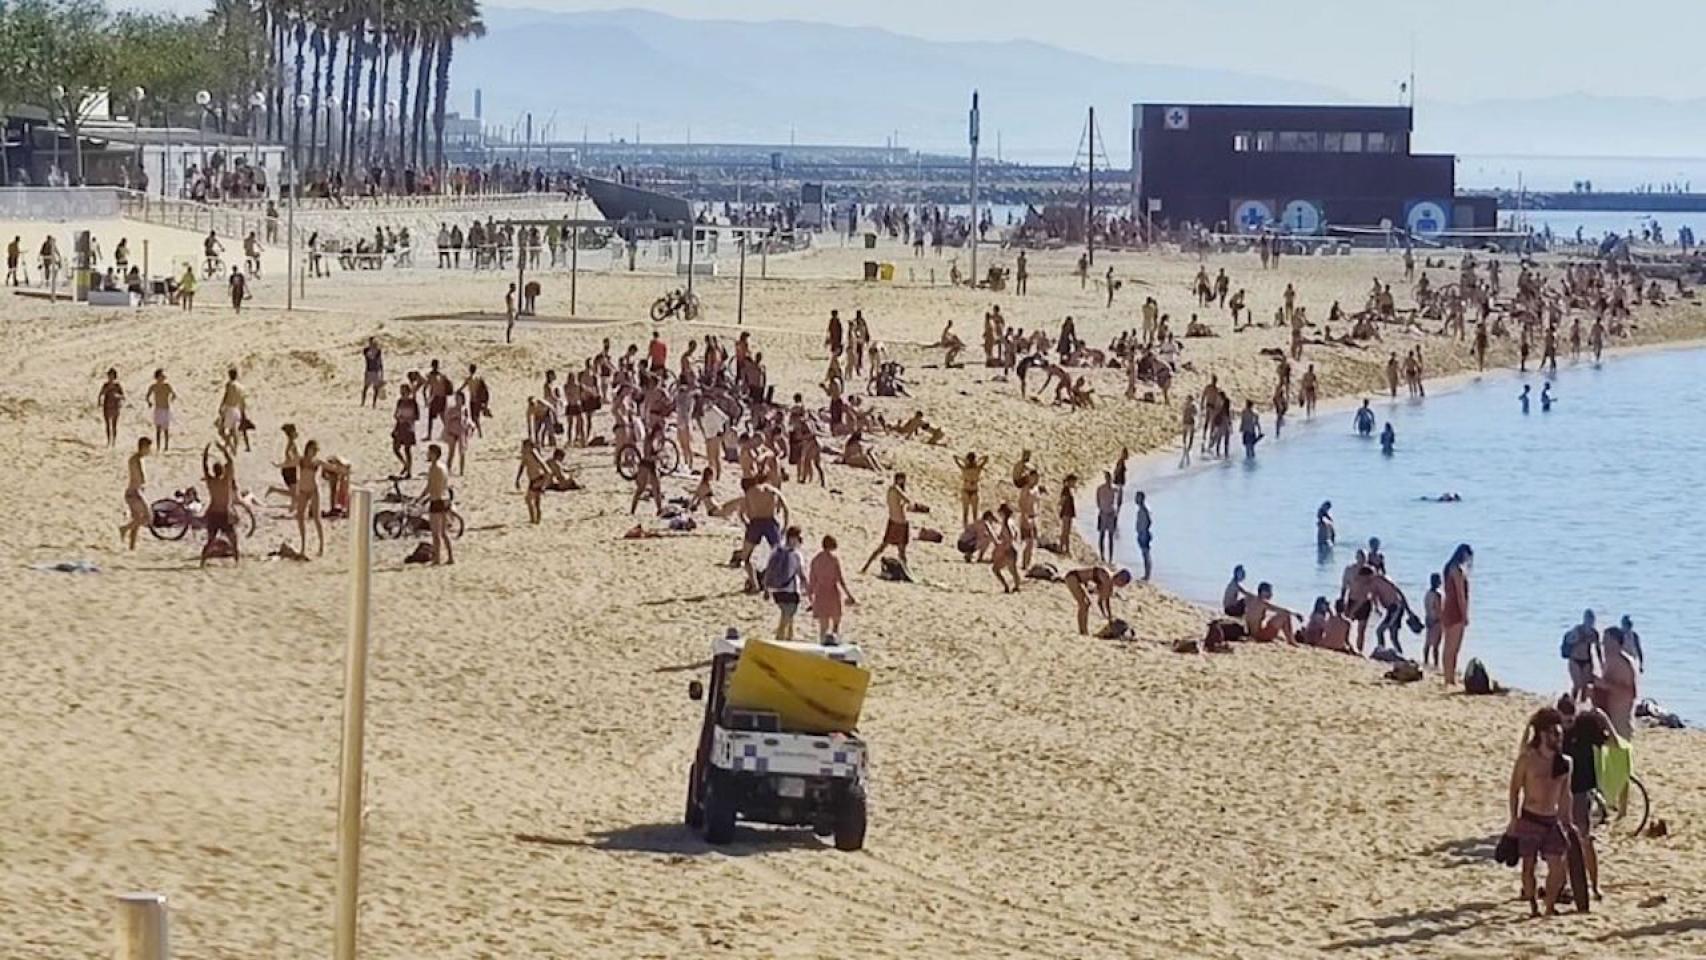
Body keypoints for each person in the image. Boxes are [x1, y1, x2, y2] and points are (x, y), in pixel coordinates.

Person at [1506, 707, 1572, 917]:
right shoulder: (1527, 760)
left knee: (1558, 867)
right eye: (1554, 733)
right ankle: (1534, 906)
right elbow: (1515, 789)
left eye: (1560, 733)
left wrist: (1567, 821)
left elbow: (1565, 794)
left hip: (1551, 820)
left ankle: (1550, 906)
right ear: (1543, 734)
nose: (1559, 737)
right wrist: (1513, 819)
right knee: (1528, 866)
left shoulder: (1565, 763)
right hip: (1530, 818)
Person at [1558, 698, 1611, 901]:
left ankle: (1594, 885)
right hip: (1561, 791)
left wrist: (1604, 718)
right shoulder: (1554, 734)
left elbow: (1612, 742)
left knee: (1585, 840)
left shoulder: (1585, 727)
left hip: (1581, 791)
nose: (1566, 725)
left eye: (1570, 720)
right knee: (1560, 842)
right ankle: (1561, 885)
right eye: (1564, 721)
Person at [737, 479, 789, 593]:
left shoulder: (750, 492)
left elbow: (741, 513)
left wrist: (747, 524)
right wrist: (785, 526)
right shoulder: (772, 490)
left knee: (745, 558)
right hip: (770, 523)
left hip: (755, 523)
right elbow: (785, 508)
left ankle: (755, 584)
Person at [862, 472, 915, 575]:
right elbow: (908, 500)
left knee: (886, 547)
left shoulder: (891, 490)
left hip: (894, 520)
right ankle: (906, 571)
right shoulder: (895, 489)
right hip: (900, 522)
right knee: (900, 550)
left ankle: (866, 566)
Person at [762, 526, 809, 642]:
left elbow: (768, 570)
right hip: (790, 590)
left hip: (777, 589)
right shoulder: (796, 554)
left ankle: (789, 638)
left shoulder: (776, 551)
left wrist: (766, 588)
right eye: (799, 538)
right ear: (794, 538)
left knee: (789, 616)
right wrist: (808, 589)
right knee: (785, 618)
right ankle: (780, 641)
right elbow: (801, 574)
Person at [808, 535, 856, 641]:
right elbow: (840, 579)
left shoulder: (815, 560)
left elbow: (812, 581)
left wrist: (810, 598)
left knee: (823, 627)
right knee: (836, 624)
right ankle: (834, 643)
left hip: (820, 594)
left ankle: (822, 645)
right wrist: (849, 595)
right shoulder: (834, 560)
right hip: (832, 593)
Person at [199, 443, 240, 567]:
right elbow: (231, 462)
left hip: (213, 514)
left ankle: (202, 562)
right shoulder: (226, 481)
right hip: (224, 514)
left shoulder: (211, 482)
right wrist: (223, 449)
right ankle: (237, 563)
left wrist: (205, 455)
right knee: (234, 541)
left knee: (210, 540)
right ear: (222, 470)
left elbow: (205, 468)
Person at [1063, 566, 1132, 635]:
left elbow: (1106, 600)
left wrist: (1109, 616)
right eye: (1122, 582)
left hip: (1078, 580)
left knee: (1086, 604)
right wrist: (1105, 615)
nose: (1121, 586)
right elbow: (1101, 601)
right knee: (1084, 604)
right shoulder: (1107, 578)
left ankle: (1084, 630)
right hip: (1073, 577)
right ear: (1119, 578)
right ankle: (1083, 631)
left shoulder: (1109, 583)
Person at [1441, 543, 1473, 687]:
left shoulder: (1449, 568)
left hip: (1447, 607)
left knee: (1447, 646)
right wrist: (1465, 614)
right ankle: (1450, 678)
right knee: (1453, 648)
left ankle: (1448, 677)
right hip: (1455, 610)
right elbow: (1461, 595)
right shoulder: (1458, 570)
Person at [1599, 626, 1639, 741]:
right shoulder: (1610, 660)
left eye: (1607, 642)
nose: (1604, 646)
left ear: (1616, 642)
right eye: (1603, 642)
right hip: (1610, 716)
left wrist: (1604, 685)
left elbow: (1630, 692)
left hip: (1621, 719)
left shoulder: (1624, 663)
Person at [119, 436, 153, 550]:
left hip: (134, 492)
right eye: (148, 448)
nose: (149, 450)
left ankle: (131, 547)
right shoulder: (136, 460)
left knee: (136, 519)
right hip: (135, 492)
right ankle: (124, 529)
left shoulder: (136, 459)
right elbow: (138, 479)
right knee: (147, 517)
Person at [423, 443, 454, 565]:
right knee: (444, 532)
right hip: (445, 500)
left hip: (436, 501)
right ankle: (450, 557)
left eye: (429, 452)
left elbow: (430, 486)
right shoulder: (443, 466)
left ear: (434, 454)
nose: (428, 454)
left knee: (435, 533)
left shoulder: (434, 468)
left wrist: (421, 497)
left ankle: (437, 559)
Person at [294, 439, 325, 557]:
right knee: (300, 517)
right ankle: (303, 547)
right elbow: (290, 463)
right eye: (313, 449)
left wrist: (342, 470)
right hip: (302, 490)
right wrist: (279, 465)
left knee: (317, 518)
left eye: (315, 450)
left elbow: (330, 467)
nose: (314, 452)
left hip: (313, 491)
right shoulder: (301, 460)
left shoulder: (316, 462)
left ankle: (321, 546)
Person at [1563, 609, 1600, 702]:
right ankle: (1572, 702)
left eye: (1592, 620)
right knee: (1577, 684)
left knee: (1585, 686)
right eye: (1588, 619)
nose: (1590, 622)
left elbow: (1598, 649)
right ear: (1584, 619)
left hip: (1587, 660)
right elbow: (1569, 641)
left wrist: (1602, 663)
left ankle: (1582, 704)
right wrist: (1579, 639)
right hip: (1575, 659)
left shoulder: (1594, 633)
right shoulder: (1578, 629)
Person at [516, 439, 548, 524]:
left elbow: (546, 468)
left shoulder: (534, 454)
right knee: (536, 501)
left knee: (529, 499)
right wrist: (518, 479)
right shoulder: (526, 455)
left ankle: (533, 519)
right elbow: (522, 466)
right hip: (534, 479)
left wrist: (545, 483)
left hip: (538, 478)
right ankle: (536, 519)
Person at [145, 369, 177, 451]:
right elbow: (147, 396)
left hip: (165, 409)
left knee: (166, 429)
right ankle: (158, 446)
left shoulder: (167, 386)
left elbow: (174, 394)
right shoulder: (153, 387)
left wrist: (172, 398)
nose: (162, 378)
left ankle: (166, 446)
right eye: (161, 376)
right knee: (158, 429)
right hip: (158, 409)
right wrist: (149, 402)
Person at [954, 451, 987, 527]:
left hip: (968, 491)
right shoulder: (977, 469)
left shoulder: (965, 469)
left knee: (968, 513)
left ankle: (967, 528)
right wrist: (979, 459)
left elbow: (955, 459)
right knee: (972, 513)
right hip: (971, 491)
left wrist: (963, 460)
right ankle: (970, 528)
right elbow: (986, 459)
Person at [1094, 472, 1119, 564]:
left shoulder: (1114, 489)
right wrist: (1102, 509)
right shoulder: (1100, 489)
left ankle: (1110, 558)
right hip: (1103, 513)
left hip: (1111, 514)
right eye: (1107, 478)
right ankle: (1102, 556)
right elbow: (1098, 501)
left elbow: (1118, 501)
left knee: (1111, 537)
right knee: (1102, 535)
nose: (1109, 480)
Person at [98, 368, 125, 447]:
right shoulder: (105, 385)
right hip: (107, 406)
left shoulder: (117, 385)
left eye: (112, 375)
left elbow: (123, 396)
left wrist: (117, 396)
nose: (110, 377)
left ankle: (114, 441)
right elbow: (101, 394)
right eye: (109, 375)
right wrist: (100, 402)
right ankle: (108, 440)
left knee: (114, 425)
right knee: (107, 425)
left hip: (115, 407)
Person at [1422, 573, 1444, 670]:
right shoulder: (1438, 595)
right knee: (1436, 645)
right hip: (1436, 621)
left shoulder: (1427, 594)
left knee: (1427, 643)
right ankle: (1436, 664)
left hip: (1429, 619)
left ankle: (1426, 661)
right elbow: (1439, 609)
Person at [1132, 491, 1153, 580]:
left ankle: (1147, 575)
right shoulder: (1141, 509)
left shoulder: (1144, 509)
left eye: (1137, 497)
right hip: (1141, 533)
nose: (1135, 499)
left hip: (1144, 534)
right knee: (1144, 554)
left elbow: (1149, 521)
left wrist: (1144, 530)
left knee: (1146, 554)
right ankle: (1146, 574)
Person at [360, 337, 385, 407]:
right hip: (369, 370)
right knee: (366, 387)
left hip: (375, 371)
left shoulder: (378, 351)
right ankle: (363, 402)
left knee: (375, 389)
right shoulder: (367, 350)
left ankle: (374, 403)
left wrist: (381, 371)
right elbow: (369, 357)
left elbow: (379, 361)